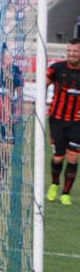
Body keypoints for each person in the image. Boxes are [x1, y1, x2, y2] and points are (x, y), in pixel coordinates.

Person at [47, 39, 80, 205]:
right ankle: (54, 184)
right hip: (57, 120)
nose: (72, 54)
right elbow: (43, 84)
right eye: (70, 51)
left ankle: (66, 193)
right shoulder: (56, 68)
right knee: (58, 157)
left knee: (73, 157)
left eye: (75, 51)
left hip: (77, 122)